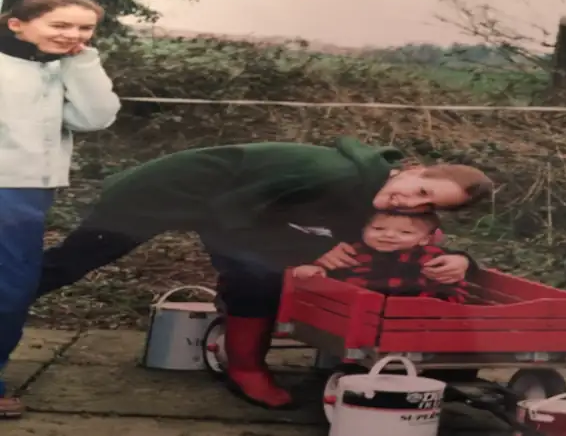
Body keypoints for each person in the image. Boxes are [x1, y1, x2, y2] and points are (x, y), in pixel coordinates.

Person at [35, 136, 494, 409]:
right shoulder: (337, 175)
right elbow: (234, 210)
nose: (410, 204)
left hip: (233, 209)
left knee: (258, 270)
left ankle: (239, 343)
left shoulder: (377, 191)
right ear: (412, 170)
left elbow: (401, 240)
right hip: (166, 193)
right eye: (420, 189)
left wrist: (462, 261)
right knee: (73, 263)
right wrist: (310, 250)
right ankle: (245, 366)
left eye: (426, 206)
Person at [0, 0, 121, 418]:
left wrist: (82, 63)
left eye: (85, 28)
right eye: (60, 25)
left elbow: (95, 118)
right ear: (17, 24)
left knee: (12, 290)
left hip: (29, 193)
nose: (73, 35)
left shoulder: (60, 68)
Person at [293, 211, 470, 303]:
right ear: (363, 230)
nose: (389, 235)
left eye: (405, 232)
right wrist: (315, 268)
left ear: (424, 239)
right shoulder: (353, 251)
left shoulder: (430, 256)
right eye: (378, 229)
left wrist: (438, 300)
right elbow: (329, 269)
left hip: (413, 315)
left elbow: (452, 284)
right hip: (357, 312)